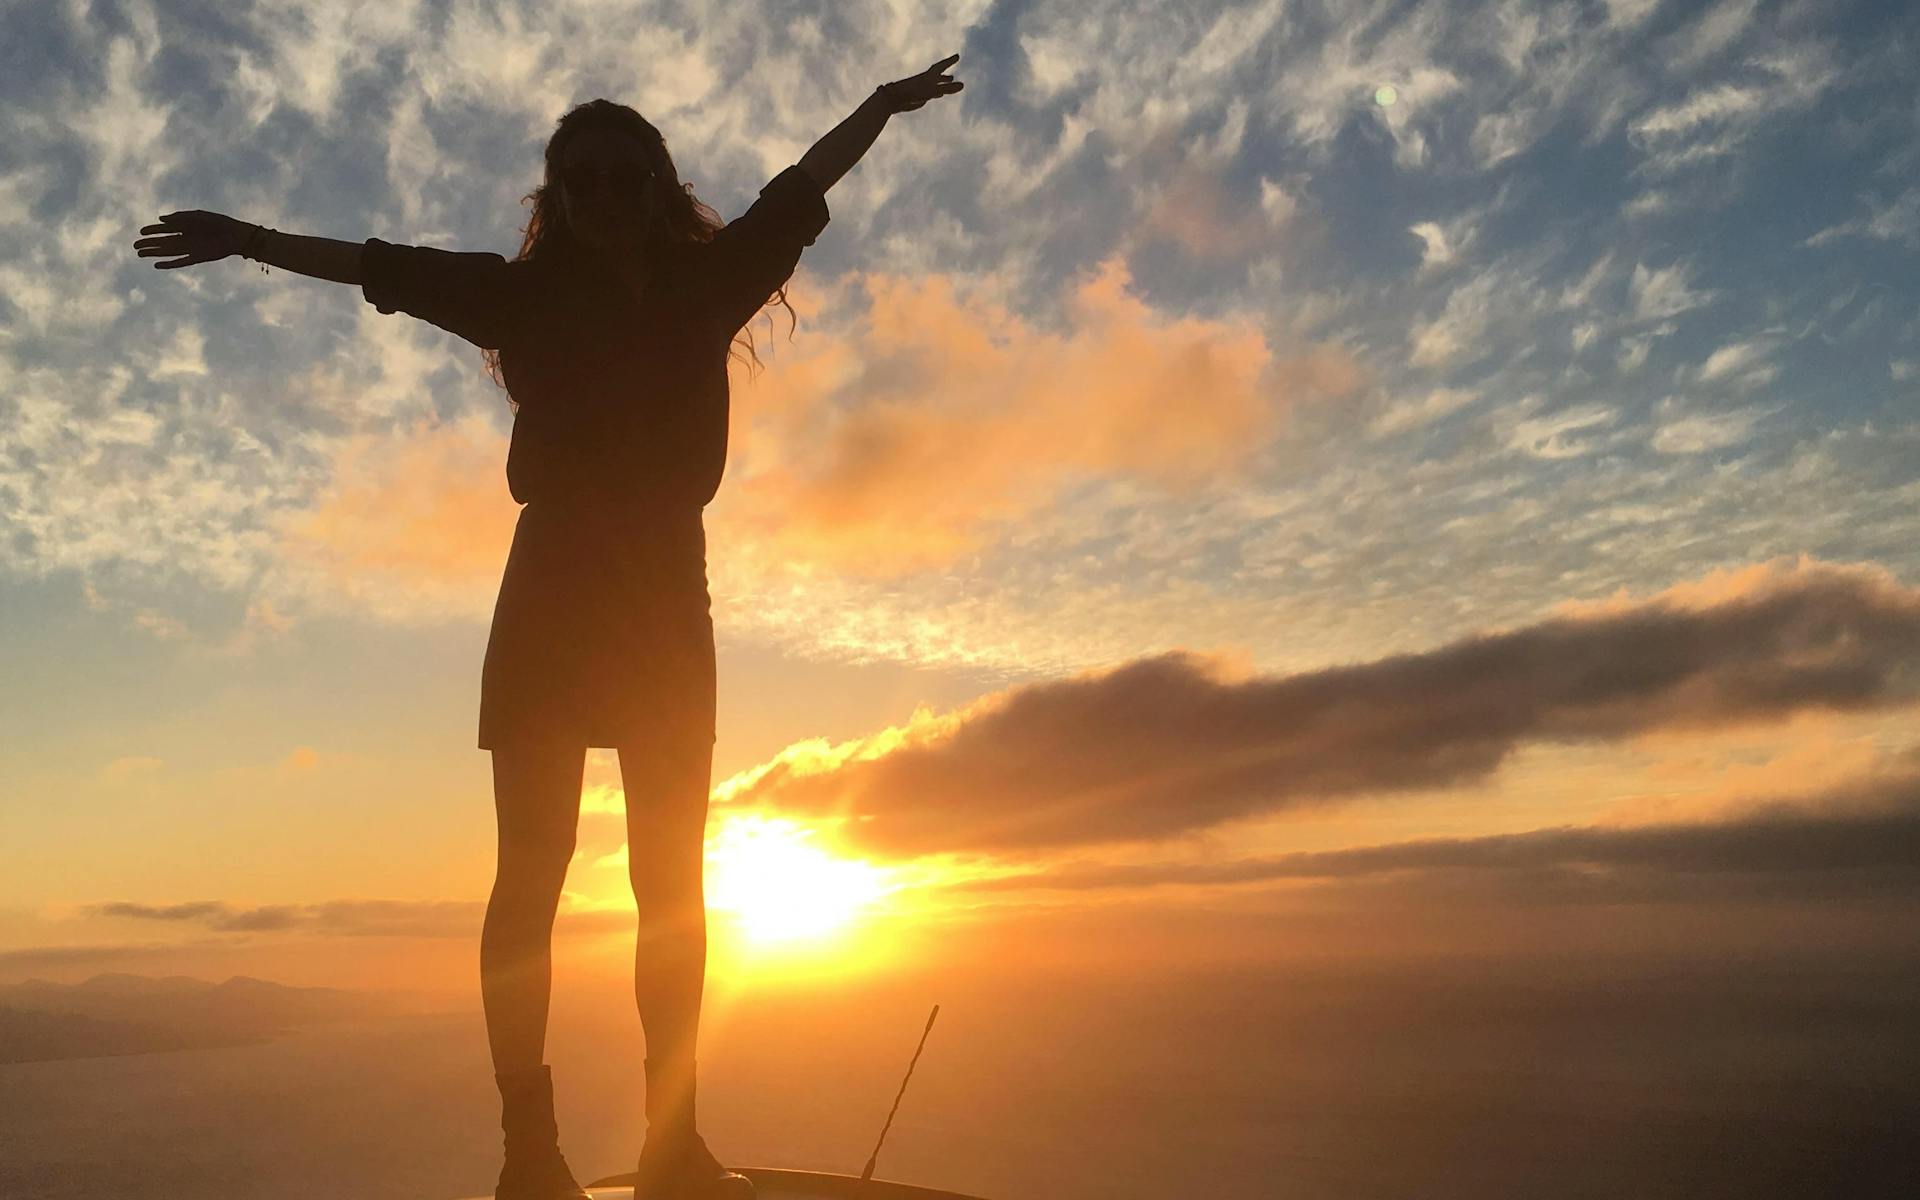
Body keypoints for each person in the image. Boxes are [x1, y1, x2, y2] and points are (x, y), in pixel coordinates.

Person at [133, 56, 963, 1200]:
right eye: (583, 180)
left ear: (657, 184)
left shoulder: (710, 281)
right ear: (557, 197)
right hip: (554, 598)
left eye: (626, 176)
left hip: (665, 604)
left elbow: (801, 186)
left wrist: (879, 105)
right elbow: (375, 264)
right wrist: (249, 240)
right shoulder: (516, 297)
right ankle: (530, 1151)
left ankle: (673, 1147)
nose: (605, 195)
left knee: (672, 888)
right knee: (532, 876)